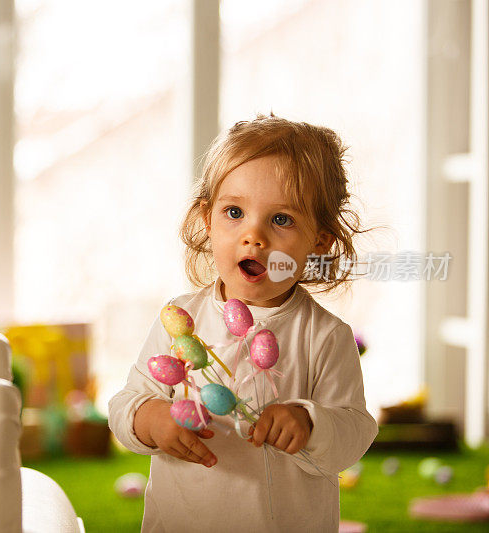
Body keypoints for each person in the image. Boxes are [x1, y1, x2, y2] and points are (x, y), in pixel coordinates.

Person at [108, 114, 379, 532]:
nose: (254, 236)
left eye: (282, 219)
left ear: (320, 240)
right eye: (234, 212)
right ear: (207, 220)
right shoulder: (180, 321)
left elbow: (356, 429)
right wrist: (151, 419)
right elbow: (125, 405)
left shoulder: (325, 336)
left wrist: (310, 422)